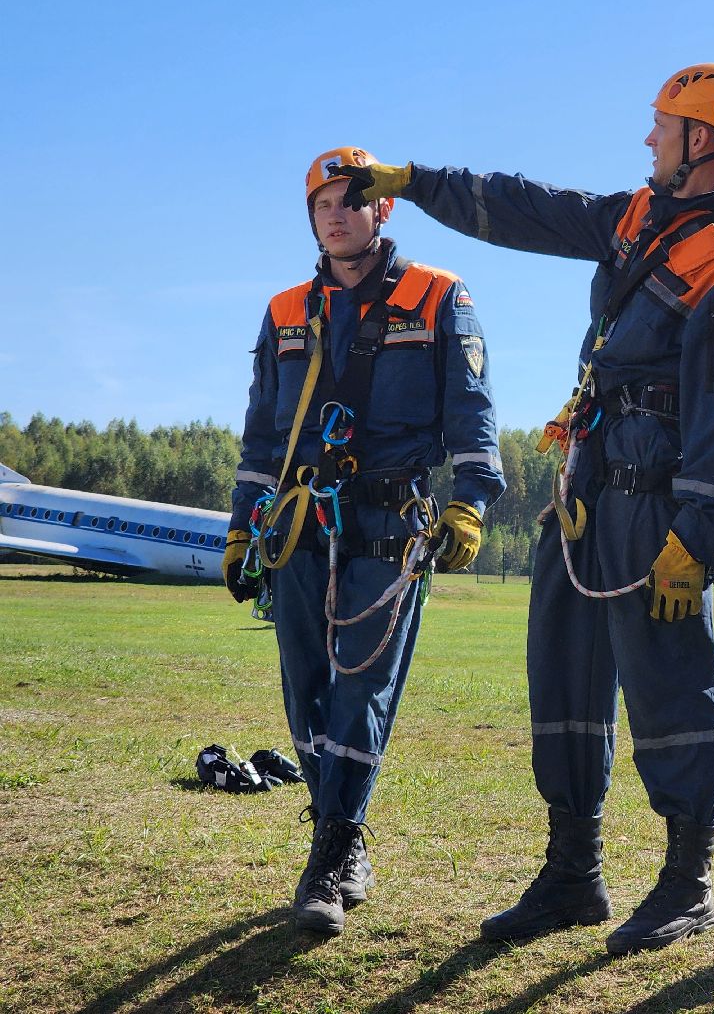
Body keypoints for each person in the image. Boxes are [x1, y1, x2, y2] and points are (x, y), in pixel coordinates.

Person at [333, 64, 714, 955]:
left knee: (670, 691)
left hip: (658, 516)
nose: (646, 138)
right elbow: (525, 206)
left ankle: (687, 881)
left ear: (701, 140)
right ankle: (573, 871)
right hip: (584, 495)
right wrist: (415, 184)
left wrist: (697, 541)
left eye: (661, 126)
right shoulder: (633, 219)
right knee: (564, 683)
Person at [222, 147, 505, 936]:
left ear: (385, 209)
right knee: (306, 689)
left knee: (360, 690)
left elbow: (474, 421)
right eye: (322, 203)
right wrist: (241, 529)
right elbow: (259, 437)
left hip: (391, 525)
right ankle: (337, 833)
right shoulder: (284, 310)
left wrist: (470, 506)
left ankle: (333, 848)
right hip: (298, 529)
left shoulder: (440, 296)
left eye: (352, 198)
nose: (337, 212)